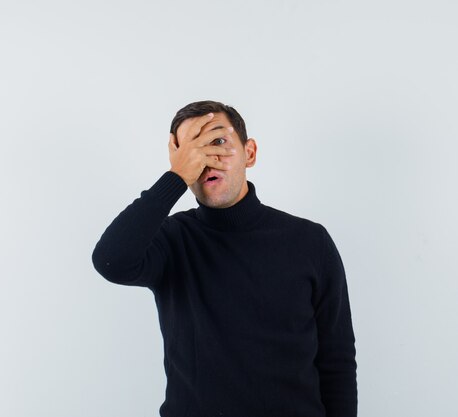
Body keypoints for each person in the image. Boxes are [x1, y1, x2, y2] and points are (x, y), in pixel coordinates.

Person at [91, 100, 357, 417]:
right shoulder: (172, 241)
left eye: (218, 142)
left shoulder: (310, 241)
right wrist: (175, 178)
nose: (207, 159)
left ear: (250, 152)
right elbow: (111, 260)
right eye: (192, 150)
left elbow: (335, 361)